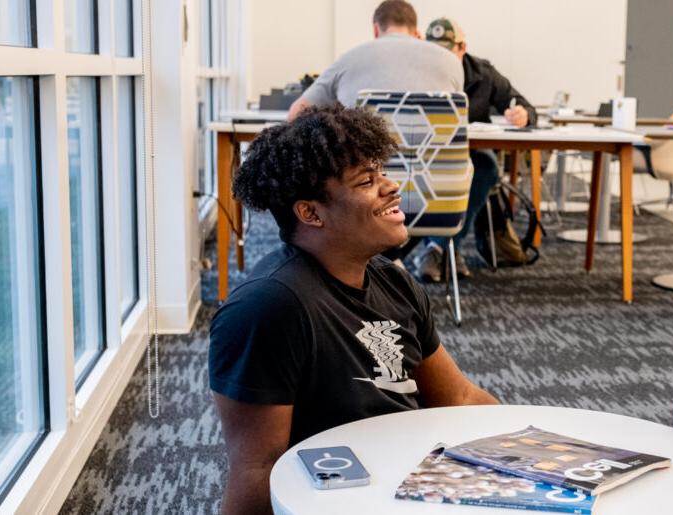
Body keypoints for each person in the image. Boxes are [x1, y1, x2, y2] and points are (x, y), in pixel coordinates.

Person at [209, 105, 498, 515]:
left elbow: (459, 397)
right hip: (343, 499)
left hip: (414, 480)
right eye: (367, 181)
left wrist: (528, 449)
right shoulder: (267, 309)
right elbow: (258, 467)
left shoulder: (393, 281)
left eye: (381, 173)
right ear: (310, 213)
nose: (391, 187)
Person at [411, 17, 538, 282]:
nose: (441, 58)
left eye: (447, 51)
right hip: (425, 155)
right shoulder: (416, 70)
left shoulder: (483, 72)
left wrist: (522, 114)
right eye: (435, 51)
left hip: (469, 155)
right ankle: (446, 249)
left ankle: (438, 248)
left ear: (462, 47)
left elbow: (524, 104)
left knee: (487, 167)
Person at [285, 0, 462, 121]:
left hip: (366, 174)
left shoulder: (349, 59)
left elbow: (295, 114)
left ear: (376, 29)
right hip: (436, 174)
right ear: (415, 30)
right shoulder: (451, 61)